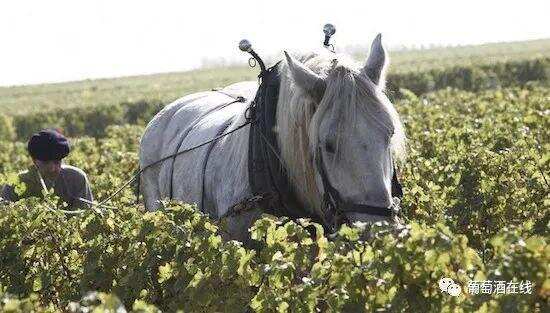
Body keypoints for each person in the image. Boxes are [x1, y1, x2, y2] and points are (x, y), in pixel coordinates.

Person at [0, 129, 93, 209]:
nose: (52, 169)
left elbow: (85, 214)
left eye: (57, 162)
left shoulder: (77, 179)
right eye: (45, 163)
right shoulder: (15, 185)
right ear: (34, 160)